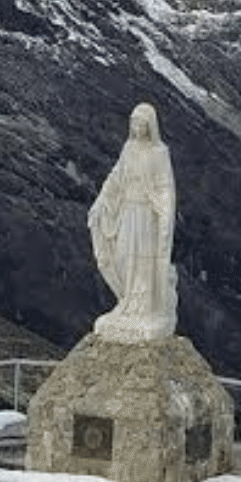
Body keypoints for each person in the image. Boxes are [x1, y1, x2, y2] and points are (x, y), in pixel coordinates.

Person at [88, 103, 178, 342]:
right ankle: (127, 301)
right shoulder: (128, 148)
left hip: (147, 214)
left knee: (143, 260)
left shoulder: (160, 152)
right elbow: (116, 177)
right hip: (127, 210)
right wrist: (101, 201)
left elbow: (165, 186)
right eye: (134, 123)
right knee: (123, 256)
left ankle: (144, 308)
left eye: (141, 124)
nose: (137, 128)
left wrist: (165, 212)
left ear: (150, 126)